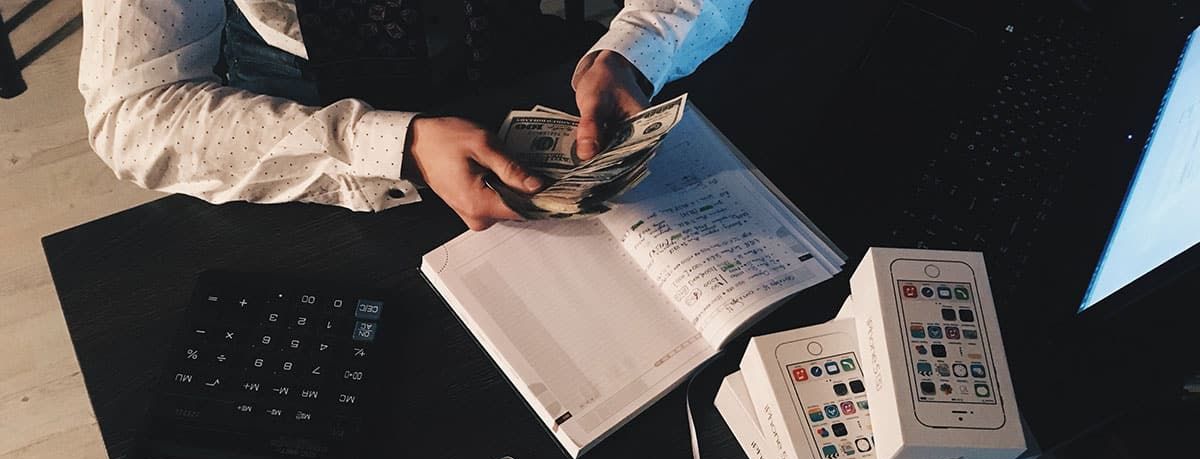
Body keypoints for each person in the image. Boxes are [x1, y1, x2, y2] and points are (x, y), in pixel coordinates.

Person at [79, 0, 751, 231]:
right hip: (302, 115)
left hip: (515, 58)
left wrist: (635, 51)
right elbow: (134, 112)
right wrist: (389, 147)